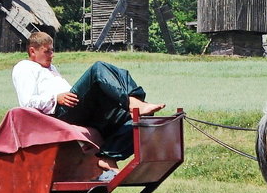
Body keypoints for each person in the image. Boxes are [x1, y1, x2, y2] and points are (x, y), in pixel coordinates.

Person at [11, 31, 164, 168]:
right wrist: (55, 98)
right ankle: (132, 102)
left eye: (52, 50)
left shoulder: (50, 68)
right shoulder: (24, 67)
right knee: (98, 69)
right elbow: (26, 102)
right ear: (32, 51)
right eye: (47, 51)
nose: (52, 54)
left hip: (74, 108)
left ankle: (108, 155)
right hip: (58, 114)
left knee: (138, 116)